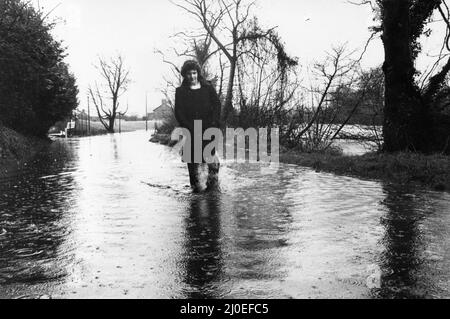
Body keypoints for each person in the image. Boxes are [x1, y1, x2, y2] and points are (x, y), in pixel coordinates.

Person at [174, 60, 222, 193]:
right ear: (185, 75)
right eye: (189, 73)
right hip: (190, 131)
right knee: (194, 166)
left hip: (208, 129)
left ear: (198, 73)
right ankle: (196, 194)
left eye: (194, 73)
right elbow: (179, 113)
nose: (192, 76)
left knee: (212, 162)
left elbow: (217, 105)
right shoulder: (180, 91)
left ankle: (213, 191)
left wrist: (214, 123)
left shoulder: (208, 87)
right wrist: (190, 128)